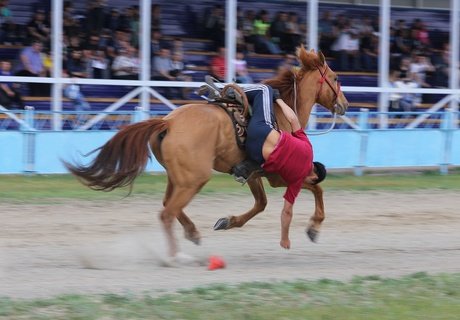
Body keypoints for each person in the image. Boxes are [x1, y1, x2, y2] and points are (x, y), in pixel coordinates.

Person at [232, 84, 327, 249]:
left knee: (265, 90)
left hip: (260, 131)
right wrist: (285, 238)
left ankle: (228, 92)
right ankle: (251, 166)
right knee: (268, 167)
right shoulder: (295, 183)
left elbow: (293, 119)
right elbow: (287, 212)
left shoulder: (308, 148)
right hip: (255, 153)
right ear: (314, 178)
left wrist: (279, 100)